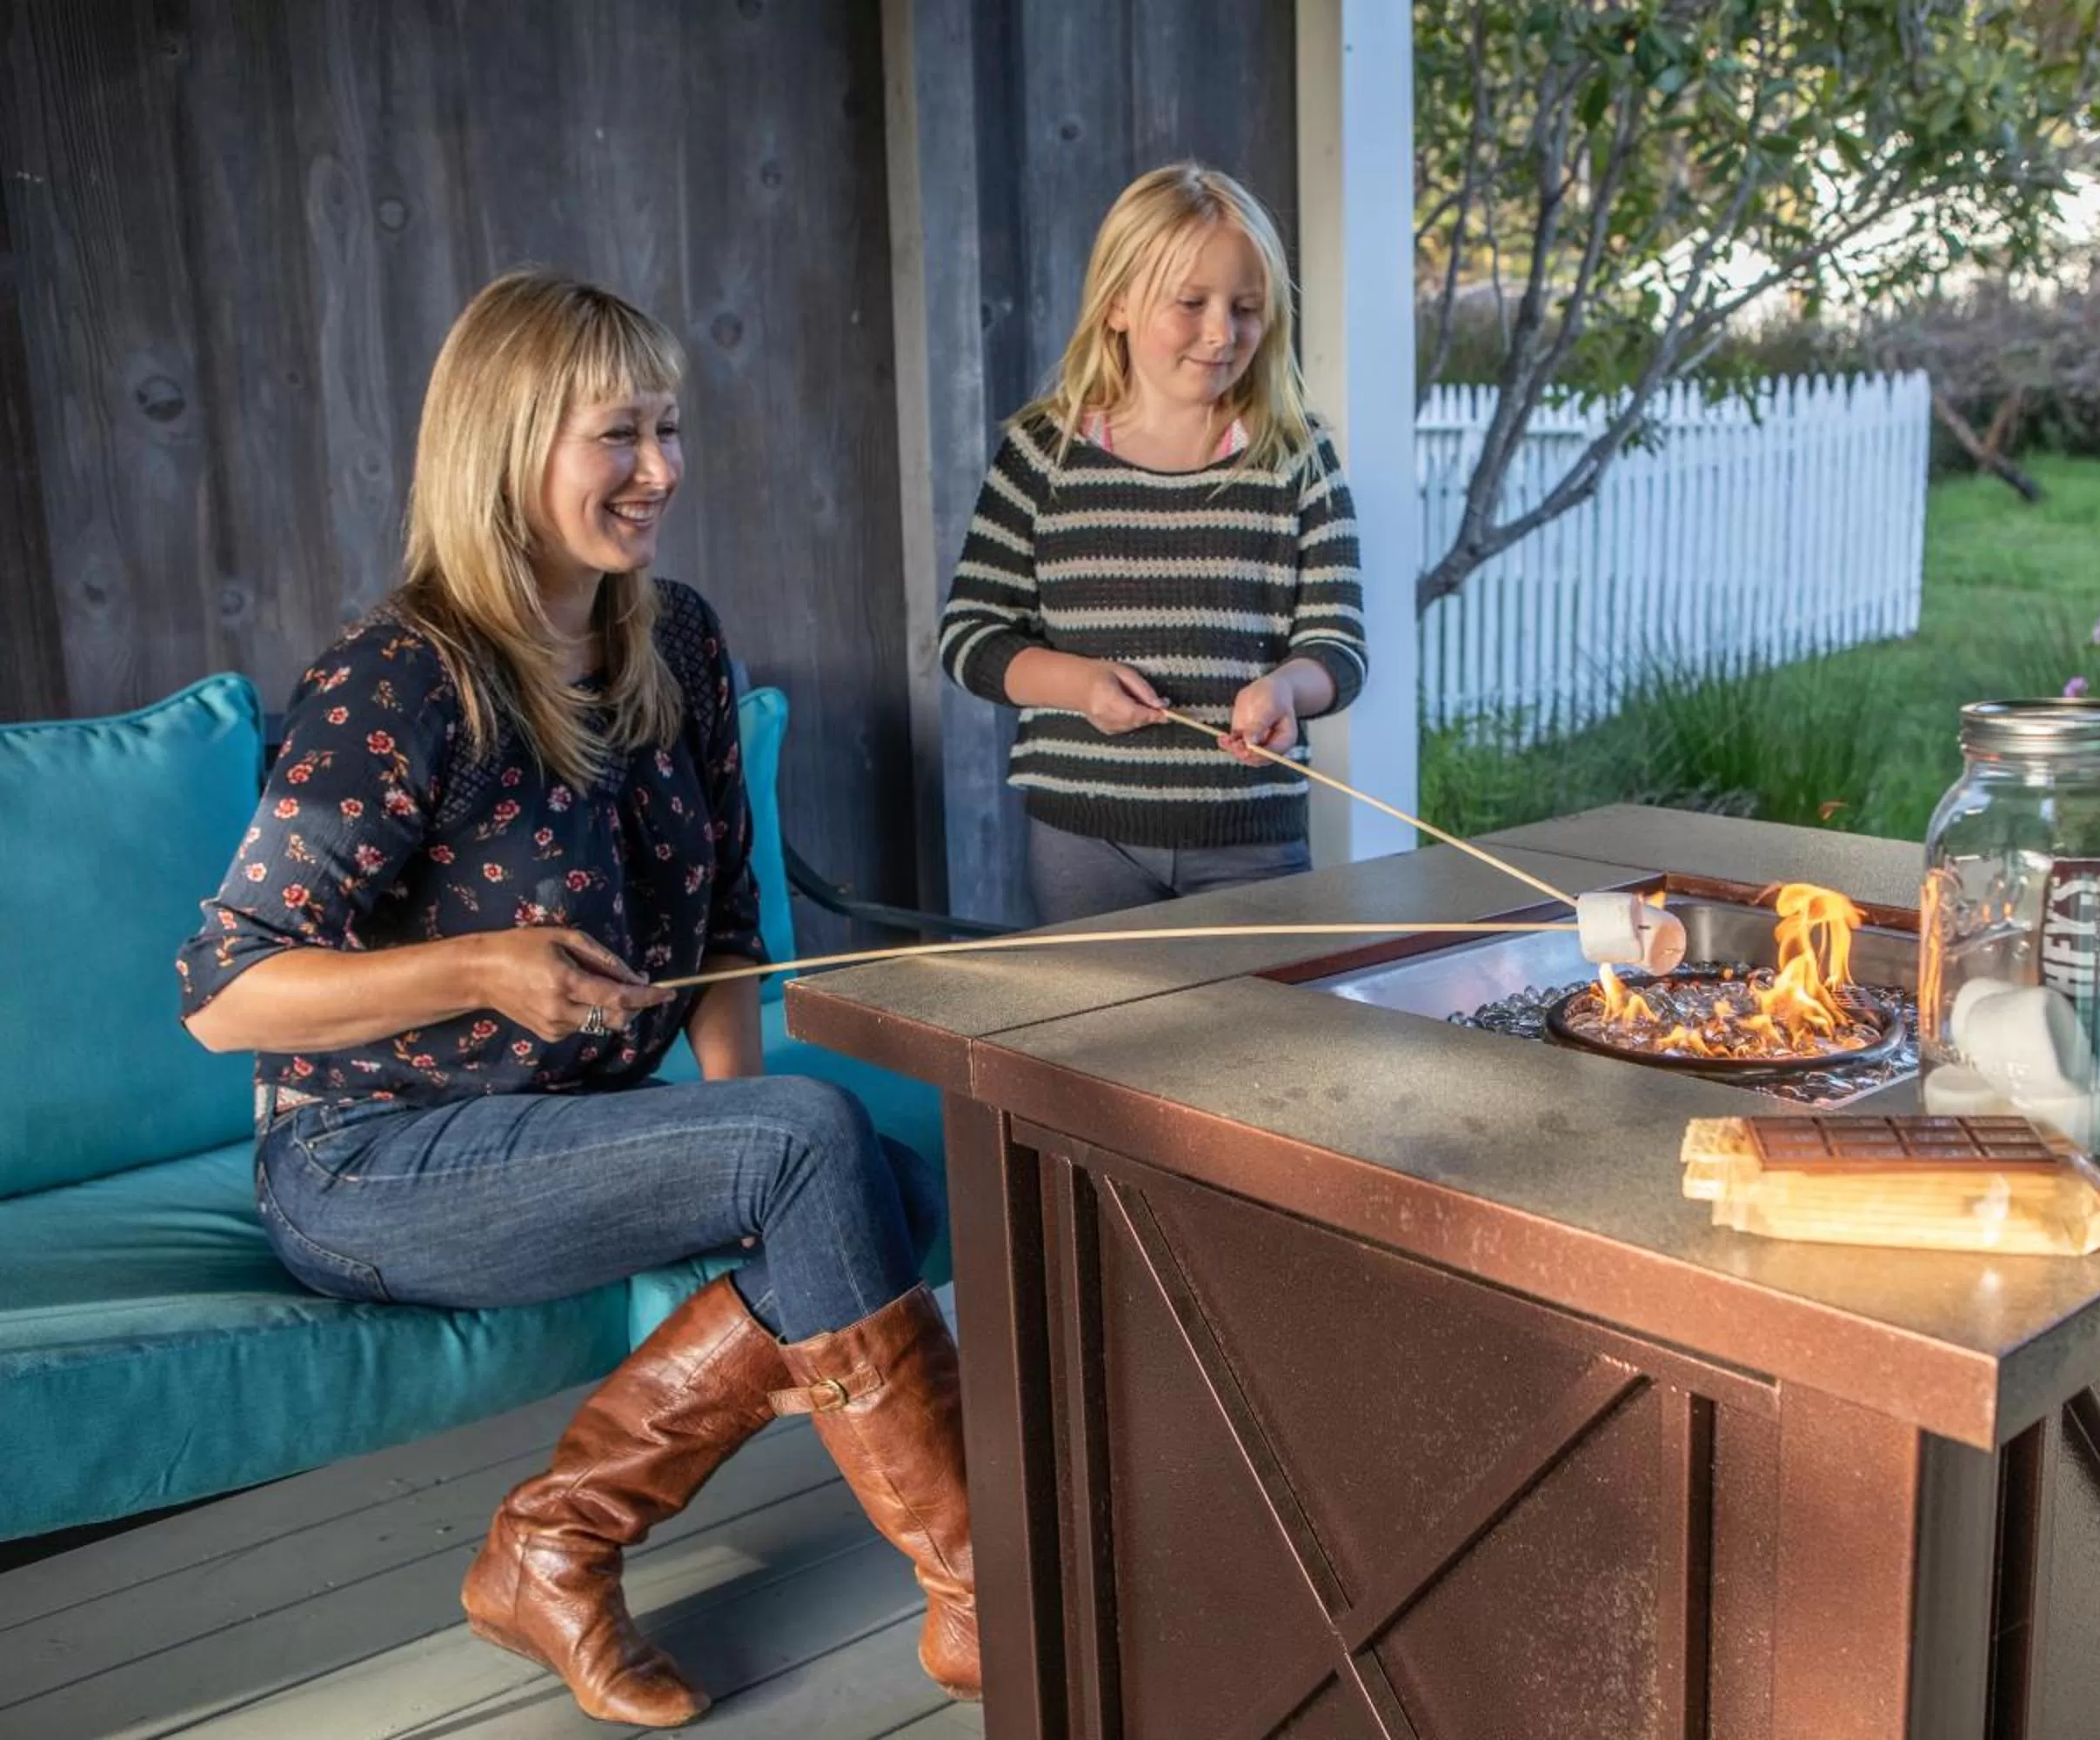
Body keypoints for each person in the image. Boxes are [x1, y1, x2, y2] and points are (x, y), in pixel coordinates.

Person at [175, 270, 978, 1724]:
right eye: (621, 435)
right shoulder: (400, 681)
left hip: (567, 1129)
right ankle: (984, 1592)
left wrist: (753, 1154)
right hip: (365, 1160)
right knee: (823, 1159)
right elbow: (226, 996)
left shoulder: (677, 642)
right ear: (510, 446)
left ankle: (554, 1544)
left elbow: (731, 922)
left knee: (877, 1186)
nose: (662, 470)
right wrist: (481, 966)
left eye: (668, 429)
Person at [938, 161, 1368, 923]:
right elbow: (970, 636)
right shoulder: (1045, 454)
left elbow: (1340, 649)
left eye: (1246, 307)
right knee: (1099, 1044)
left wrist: (1287, 690)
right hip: (1084, 839)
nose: (1221, 332)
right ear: (1118, 307)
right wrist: (1076, 686)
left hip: (1252, 843)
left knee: (1256, 1043)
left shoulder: (1295, 457)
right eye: (1191, 304)